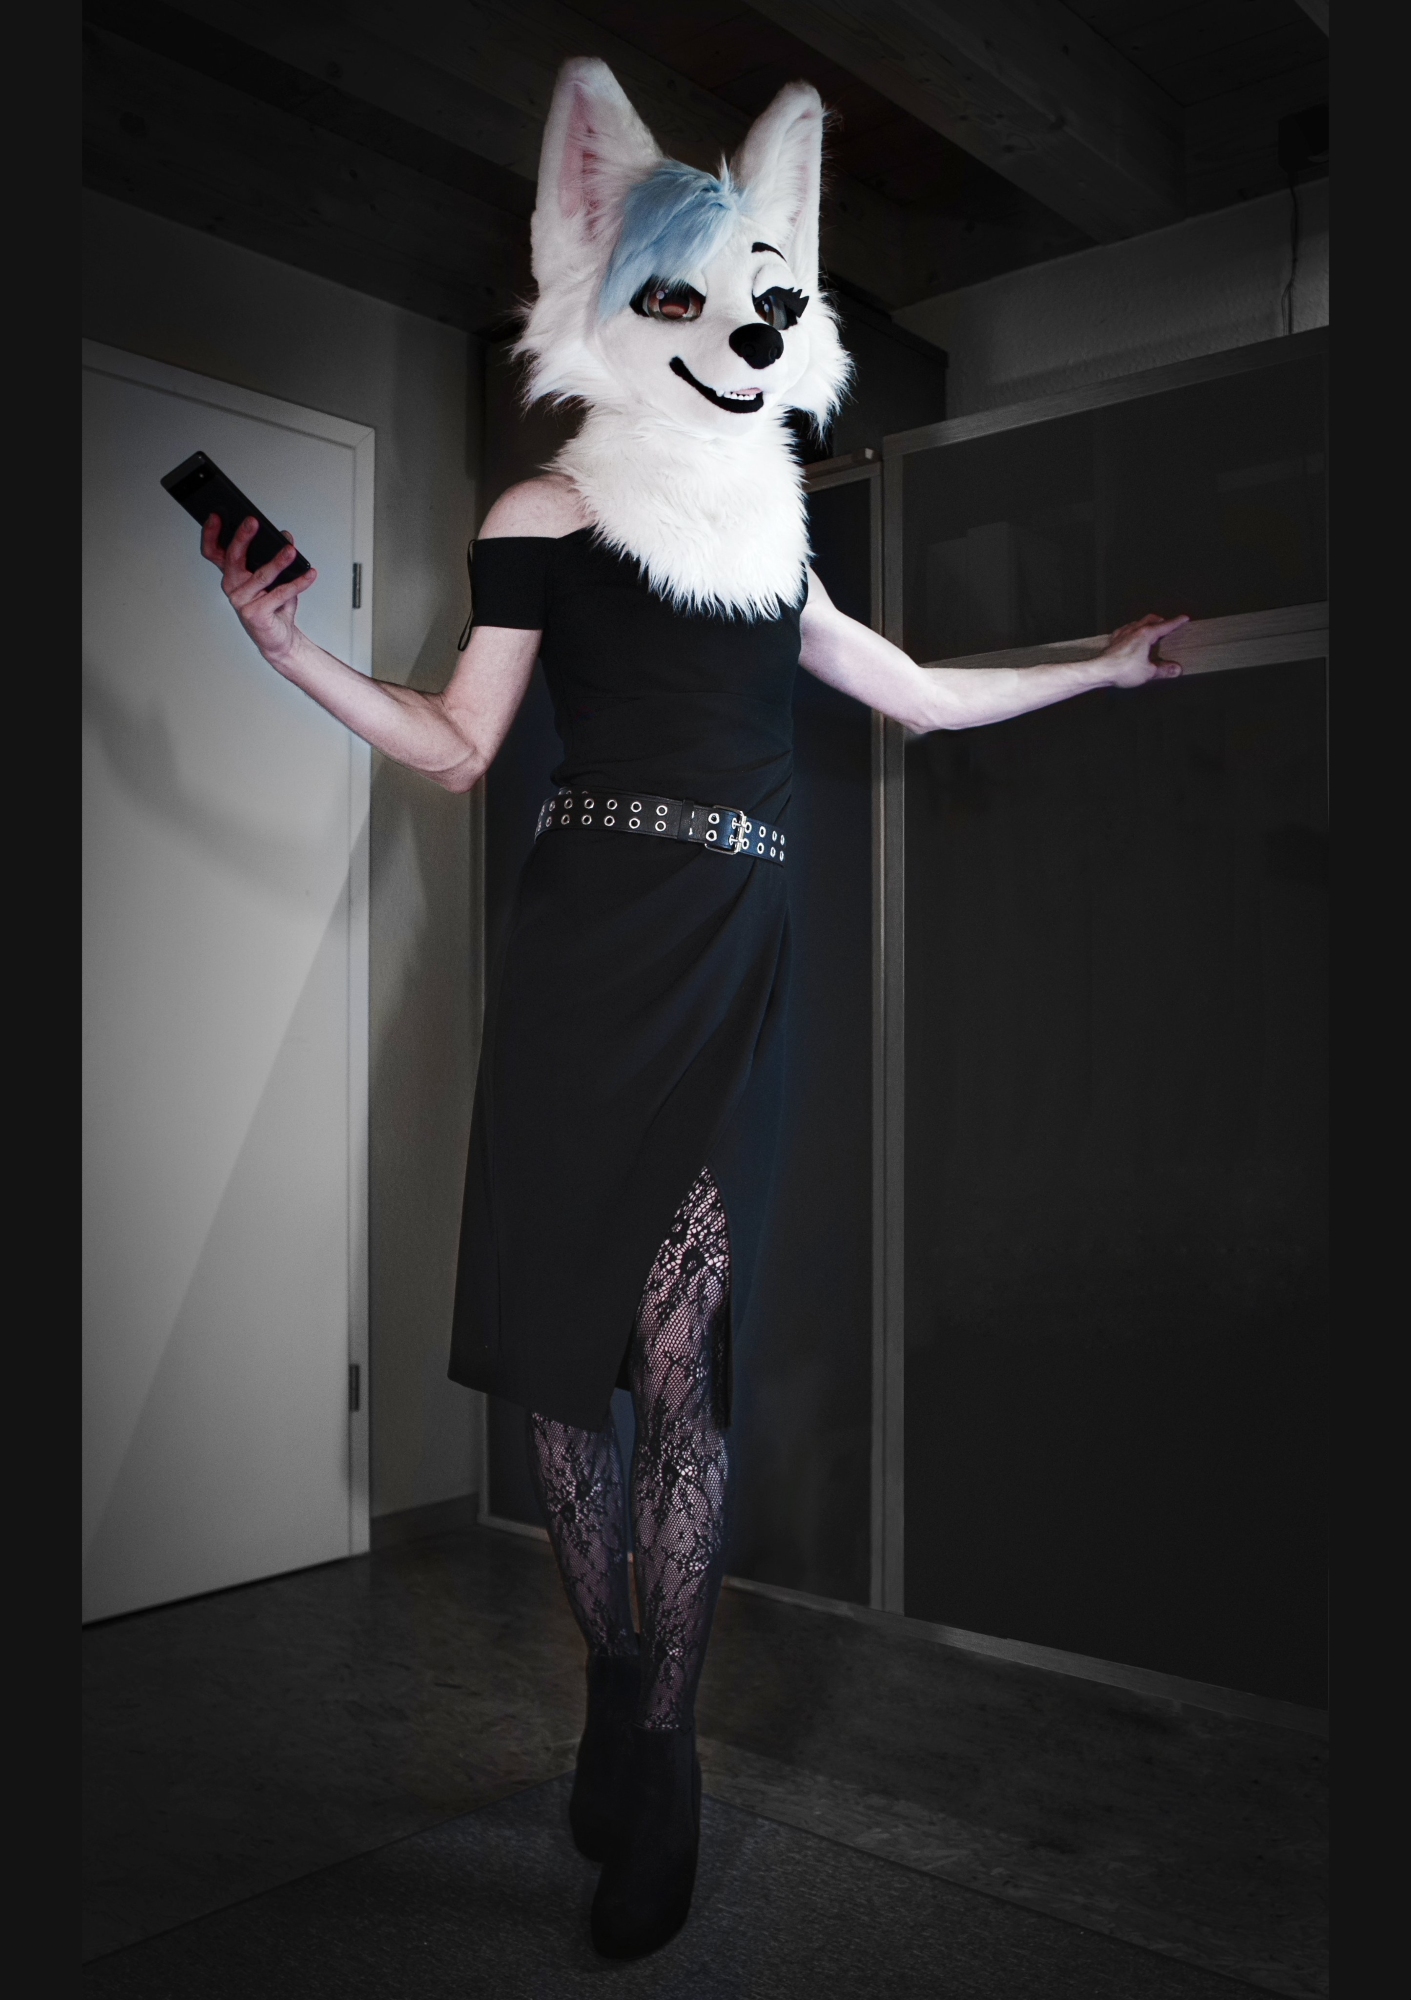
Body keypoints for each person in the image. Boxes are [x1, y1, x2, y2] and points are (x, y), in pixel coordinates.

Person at [200, 57, 1186, 1963]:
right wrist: (287, 648)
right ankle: (611, 1677)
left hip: (732, 957)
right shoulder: (550, 507)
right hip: (587, 954)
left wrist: (1098, 669)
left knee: (682, 1368)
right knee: (565, 1385)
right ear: (604, 289)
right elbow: (459, 746)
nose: (730, 334)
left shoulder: (772, 534)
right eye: (678, 293)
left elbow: (914, 692)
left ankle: (662, 1754)